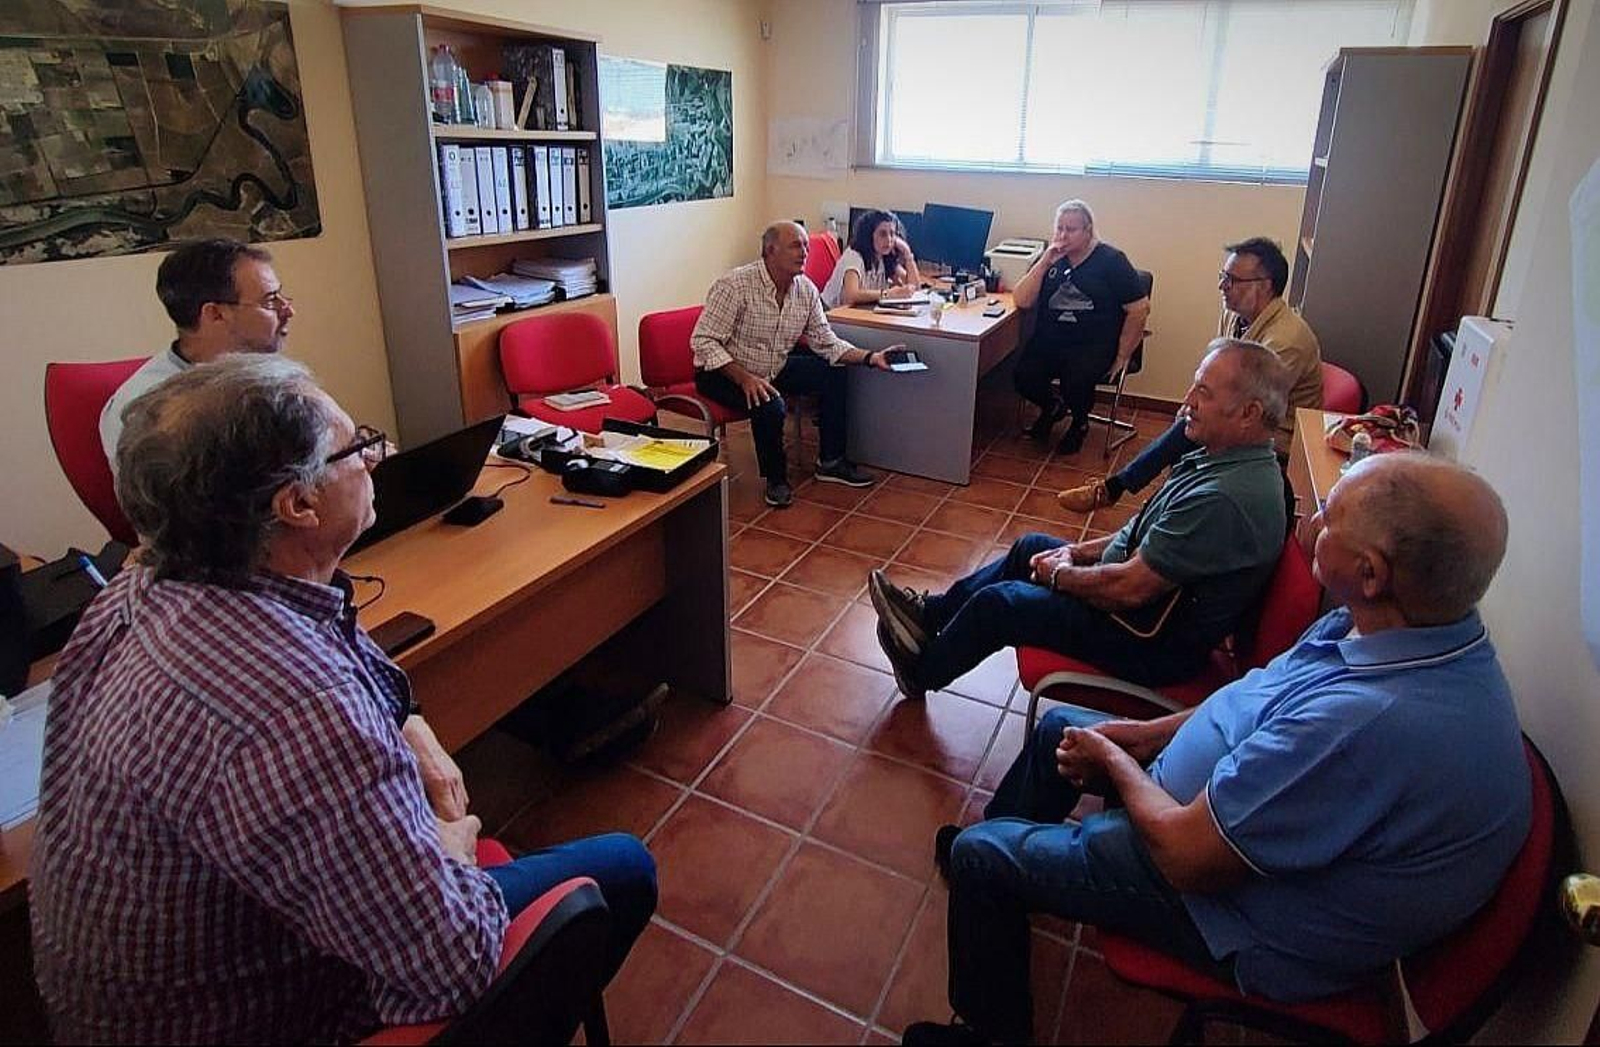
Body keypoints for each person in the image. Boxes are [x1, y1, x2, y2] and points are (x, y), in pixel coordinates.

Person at [31, 356, 656, 1044]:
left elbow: (343, 639)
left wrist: (411, 724)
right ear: (297, 505)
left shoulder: (141, 586)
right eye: (358, 444)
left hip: (135, 1001)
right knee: (626, 867)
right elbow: (450, 961)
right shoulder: (295, 712)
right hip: (274, 1017)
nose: (382, 453)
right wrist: (447, 849)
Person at [901, 453, 1530, 1046]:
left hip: (1238, 917)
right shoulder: (1389, 624)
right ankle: (1016, 869)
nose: (1310, 525)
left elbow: (1183, 857)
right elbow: (1252, 697)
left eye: (1329, 517)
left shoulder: (1370, 724)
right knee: (1058, 727)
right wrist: (1144, 738)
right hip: (1215, 812)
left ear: (1370, 572)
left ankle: (989, 1026)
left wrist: (1117, 764)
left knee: (986, 856)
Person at [871, 339, 1288, 702]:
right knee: (1029, 546)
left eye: (1204, 393)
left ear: (1249, 413)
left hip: (1150, 641)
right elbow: (1143, 533)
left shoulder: (1224, 499)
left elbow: (1130, 589)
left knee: (1000, 605)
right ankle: (931, 616)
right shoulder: (1221, 459)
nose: (1187, 402)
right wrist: (1075, 552)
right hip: (1149, 605)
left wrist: (1059, 577)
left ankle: (921, 670)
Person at [1059, 237, 1323, 513]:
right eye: (1223, 276)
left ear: (1265, 286)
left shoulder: (1285, 340)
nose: (1222, 286)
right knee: (1188, 427)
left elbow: (1249, 408)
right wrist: (1191, 405)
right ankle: (1147, 504)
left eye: (1232, 280)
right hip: (1236, 413)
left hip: (1273, 438)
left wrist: (1193, 413)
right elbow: (1216, 373)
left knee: (1189, 433)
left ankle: (1119, 491)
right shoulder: (1236, 315)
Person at [692, 220, 902, 508]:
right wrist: (744, 378)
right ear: (770, 251)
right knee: (770, 404)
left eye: (805, 245)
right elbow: (703, 342)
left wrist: (870, 357)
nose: (804, 252)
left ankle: (831, 461)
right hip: (722, 371)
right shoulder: (735, 285)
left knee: (834, 371)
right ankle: (776, 480)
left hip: (773, 366)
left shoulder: (806, 290)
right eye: (795, 246)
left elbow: (826, 342)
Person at [99, 238, 296, 470]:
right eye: (271, 300)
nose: (289, 310)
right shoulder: (151, 414)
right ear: (215, 314)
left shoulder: (264, 372)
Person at [1011, 200, 1151, 454]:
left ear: (1088, 230)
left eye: (1071, 229)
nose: (1063, 235)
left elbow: (1139, 308)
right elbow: (1021, 300)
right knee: (1022, 375)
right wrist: (1044, 263)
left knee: (1075, 379)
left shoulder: (1111, 260)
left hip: (1094, 343)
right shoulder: (1052, 259)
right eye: (1059, 228)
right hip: (1051, 340)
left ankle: (1079, 423)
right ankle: (1052, 407)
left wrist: (1123, 355)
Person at [821, 208, 923, 308]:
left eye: (892, 234)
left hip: (856, 314)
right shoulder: (854, 256)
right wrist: (888, 294)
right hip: (830, 314)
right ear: (869, 235)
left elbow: (915, 289)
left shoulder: (884, 256)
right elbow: (851, 296)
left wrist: (907, 253)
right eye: (883, 234)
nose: (889, 239)